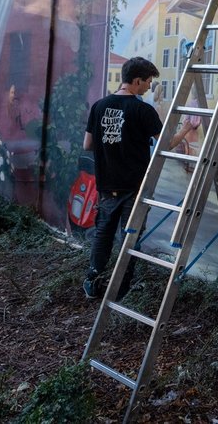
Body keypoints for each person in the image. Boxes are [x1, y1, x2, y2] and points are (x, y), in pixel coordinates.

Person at [82, 57, 162, 300]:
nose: (149, 86)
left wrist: (111, 145)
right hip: (134, 188)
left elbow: (87, 145)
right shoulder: (143, 110)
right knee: (130, 237)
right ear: (137, 81)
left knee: (103, 234)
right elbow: (165, 144)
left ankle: (92, 281)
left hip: (107, 184)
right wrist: (184, 131)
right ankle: (121, 288)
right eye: (148, 82)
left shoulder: (99, 106)